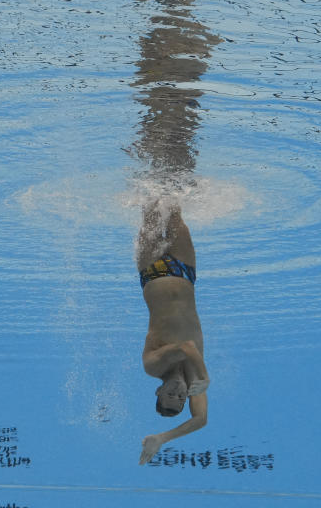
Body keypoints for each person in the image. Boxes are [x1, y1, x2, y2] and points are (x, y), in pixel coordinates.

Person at [136, 199, 209, 465]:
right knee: (175, 206)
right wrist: (162, 439)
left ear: (158, 392)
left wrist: (204, 375)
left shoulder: (153, 367)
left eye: (171, 396)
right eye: (181, 399)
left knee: (151, 204)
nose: (179, 393)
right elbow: (200, 419)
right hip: (184, 270)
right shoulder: (192, 378)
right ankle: (177, 161)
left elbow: (185, 347)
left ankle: (143, 160)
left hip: (152, 272)